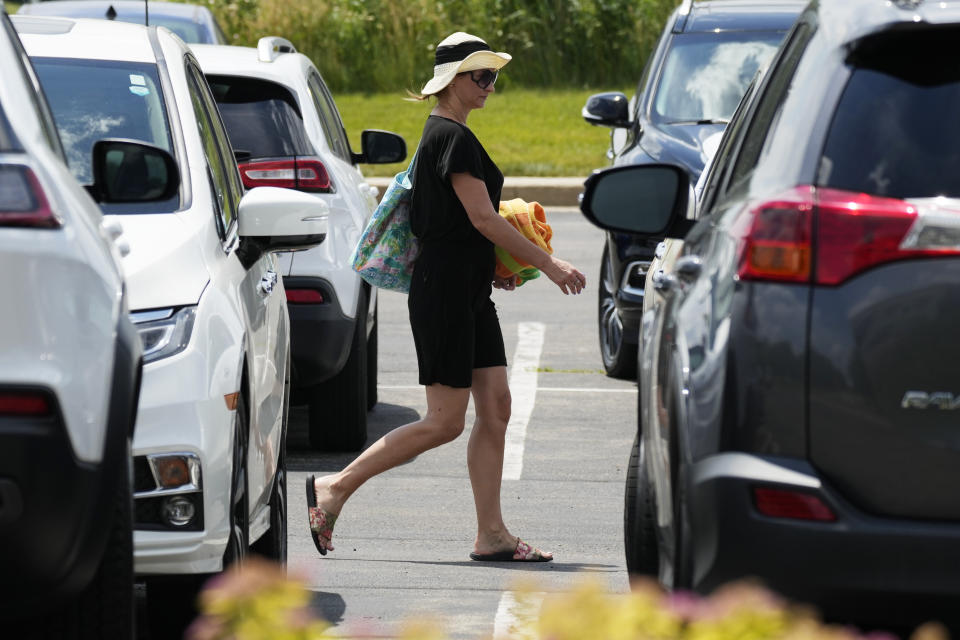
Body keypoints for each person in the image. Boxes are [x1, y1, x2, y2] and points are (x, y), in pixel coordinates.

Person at [306, 31, 586, 563]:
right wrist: (547, 263)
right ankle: (335, 488)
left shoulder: (450, 134)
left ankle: (492, 534)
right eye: (481, 76)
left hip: (467, 289)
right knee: (444, 420)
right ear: (452, 79)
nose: (490, 87)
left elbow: (467, 226)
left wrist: (493, 269)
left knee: (497, 406)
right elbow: (482, 217)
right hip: (444, 294)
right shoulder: (449, 138)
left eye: (494, 77)